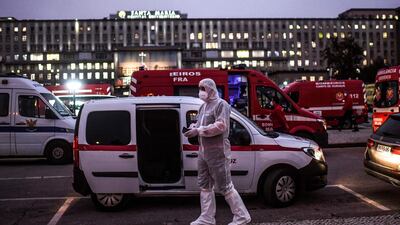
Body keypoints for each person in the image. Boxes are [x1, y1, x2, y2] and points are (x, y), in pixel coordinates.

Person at [184, 78, 251, 225]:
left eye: (203, 88)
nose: (201, 91)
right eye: (199, 88)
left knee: (225, 185)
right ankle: (206, 218)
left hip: (218, 152)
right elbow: (200, 123)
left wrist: (198, 130)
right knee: (204, 184)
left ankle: (242, 216)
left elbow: (221, 126)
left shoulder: (222, 105)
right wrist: (193, 128)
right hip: (203, 151)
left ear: (211, 89)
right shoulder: (203, 107)